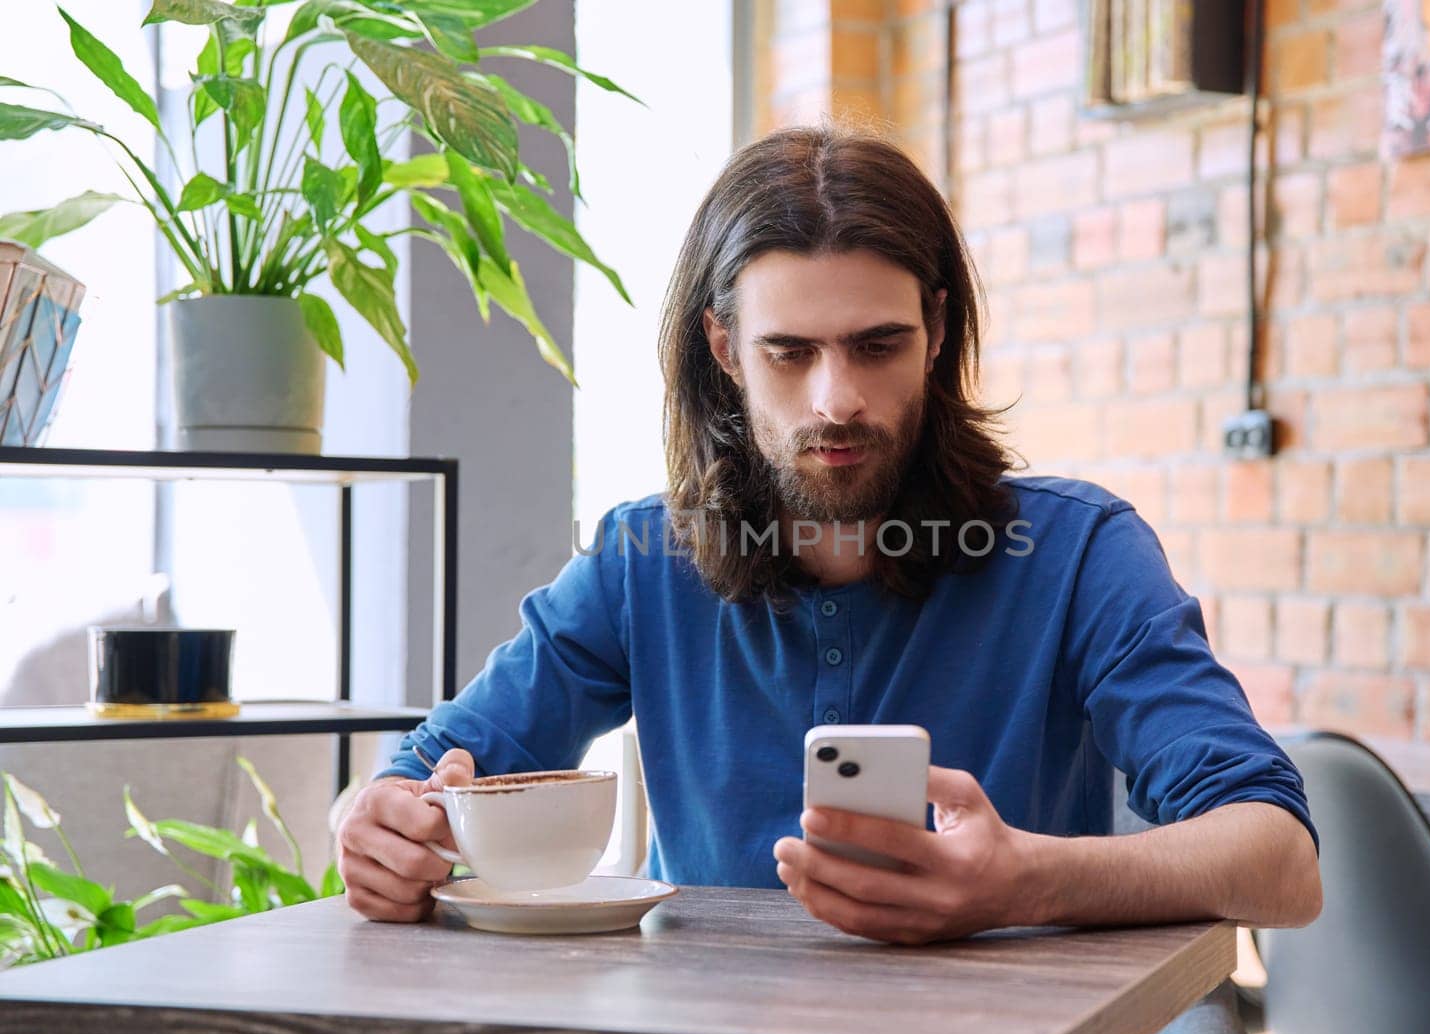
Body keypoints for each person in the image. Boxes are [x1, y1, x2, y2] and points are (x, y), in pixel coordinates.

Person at [337, 125, 1319, 976]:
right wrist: (379, 824)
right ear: (722, 348)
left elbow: (1278, 858)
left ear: (937, 330)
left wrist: (1024, 879)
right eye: (790, 351)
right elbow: (422, 780)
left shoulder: (1076, 551)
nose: (834, 398)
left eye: (876, 344)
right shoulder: (642, 559)